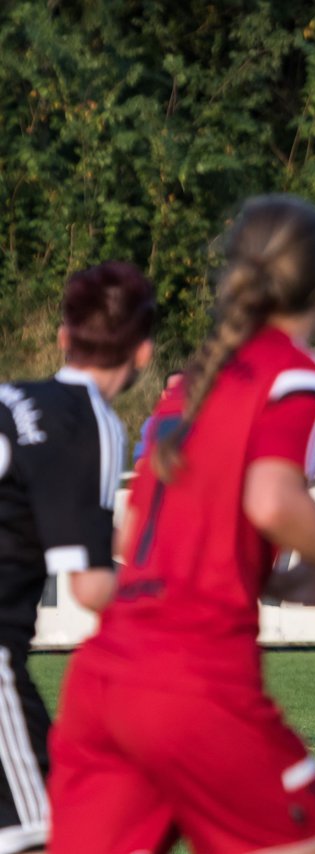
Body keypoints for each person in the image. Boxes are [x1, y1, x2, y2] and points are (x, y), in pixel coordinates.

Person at [47, 195, 315, 854]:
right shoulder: (299, 375)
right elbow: (272, 500)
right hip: (193, 682)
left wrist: (274, 583)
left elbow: (142, 534)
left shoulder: (194, 382)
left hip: (105, 678)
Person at [0, 261, 155, 852]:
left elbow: (56, 519)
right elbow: (91, 587)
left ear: (64, 338)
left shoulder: (13, 398)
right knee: (58, 830)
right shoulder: (91, 419)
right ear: (142, 354)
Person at [132, 369, 184, 464]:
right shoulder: (152, 424)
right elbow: (140, 462)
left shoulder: (204, 420)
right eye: (173, 390)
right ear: (164, 394)